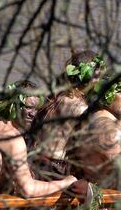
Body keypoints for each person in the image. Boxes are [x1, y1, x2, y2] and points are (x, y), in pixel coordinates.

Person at [0, 80, 82, 197]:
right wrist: (65, 182)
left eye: (36, 109)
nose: (33, 114)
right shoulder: (13, 139)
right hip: (1, 203)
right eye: (28, 108)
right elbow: (28, 190)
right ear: (13, 105)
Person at [32, 51, 106, 179]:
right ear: (87, 77)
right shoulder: (80, 107)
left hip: (37, 162)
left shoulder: (56, 96)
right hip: (57, 168)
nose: (99, 81)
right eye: (97, 77)